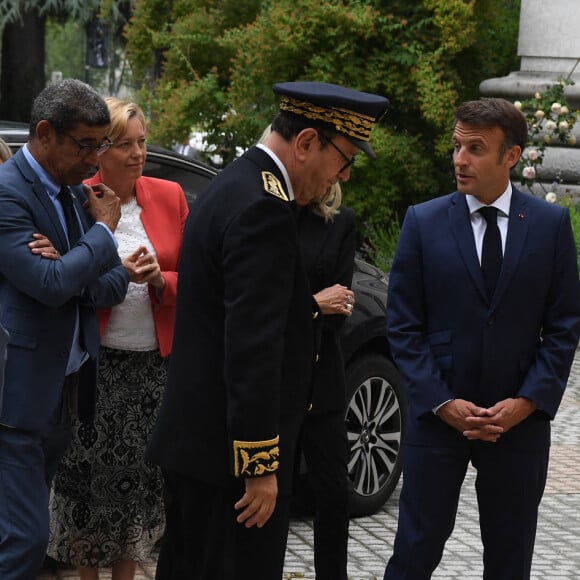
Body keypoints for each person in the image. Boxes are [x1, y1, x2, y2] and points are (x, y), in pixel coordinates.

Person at [145, 81, 389, 580]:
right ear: (305, 144)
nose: (342, 175)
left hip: (200, 446)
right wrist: (259, 466)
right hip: (231, 464)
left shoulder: (233, 184)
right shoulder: (263, 208)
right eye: (344, 159)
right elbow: (253, 347)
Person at [383, 97, 580, 580]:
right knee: (415, 549)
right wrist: (441, 401)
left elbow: (564, 327)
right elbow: (404, 327)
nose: (459, 159)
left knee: (510, 558)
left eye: (475, 148)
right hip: (437, 420)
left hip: (518, 426)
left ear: (511, 156)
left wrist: (527, 403)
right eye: (456, 147)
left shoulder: (550, 226)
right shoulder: (423, 221)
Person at [45, 97, 188, 579]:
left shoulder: (170, 196)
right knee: (89, 487)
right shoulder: (75, 200)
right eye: (125, 144)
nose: (137, 154)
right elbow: (66, 283)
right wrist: (116, 274)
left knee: (139, 487)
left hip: (152, 370)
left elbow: (202, 281)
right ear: (100, 152)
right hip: (94, 366)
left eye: (143, 142)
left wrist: (158, 280)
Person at [0, 79, 129, 579]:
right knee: (26, 541)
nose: (96, 158)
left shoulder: (77, 194)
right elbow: (48, 283)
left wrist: (73, 266)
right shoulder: (9, 192)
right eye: (86, 144)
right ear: (46, 133)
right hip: (15, 400)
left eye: (103, 144)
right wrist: (100, 235)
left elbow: (114, 283)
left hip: (64, 393)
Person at [295, 183, 356, 580]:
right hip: (272, 381)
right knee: (268, 498)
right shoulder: (269, 217)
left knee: (334, 497)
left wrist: (300, 310)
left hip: (323, 380)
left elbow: (341, 308)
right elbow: (252, 305)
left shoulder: (340, 222)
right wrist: (312, 304)